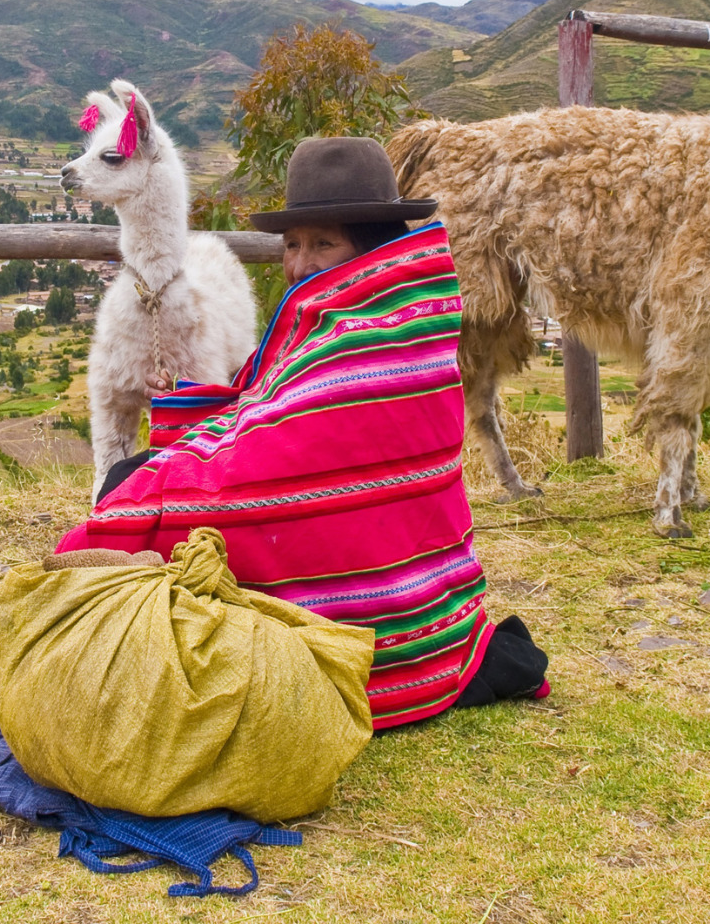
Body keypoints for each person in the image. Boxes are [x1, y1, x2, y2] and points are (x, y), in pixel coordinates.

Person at [59, 136, 548, 730]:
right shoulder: (388, 322)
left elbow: (271, 467)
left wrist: (157, 488)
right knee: (141, 475)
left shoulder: (367, 339)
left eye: (324, 243)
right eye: (292, 244)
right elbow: (272, 414)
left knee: (129, 493)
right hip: (427, 606)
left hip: (371, 616)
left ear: (370, 249)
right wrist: (193, 419)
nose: (302, 262)